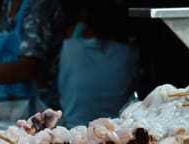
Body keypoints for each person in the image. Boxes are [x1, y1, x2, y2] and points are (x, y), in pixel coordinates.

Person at [0, 0, 65, 118]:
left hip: (41, 108)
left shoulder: (39, 4)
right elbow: (1, 52)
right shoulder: (8, 3)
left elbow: (26, 69)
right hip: (12, 103)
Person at [57, 0, 139, 129]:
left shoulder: (68, 48)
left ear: (84, 16)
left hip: (75, 131)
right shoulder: (128, 53)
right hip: (117, 130)